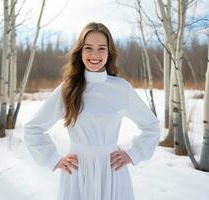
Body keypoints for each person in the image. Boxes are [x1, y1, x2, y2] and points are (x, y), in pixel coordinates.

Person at [24, 22, 160, 200]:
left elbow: (152, 126)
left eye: (101, 48)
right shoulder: (68, 89)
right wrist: (53, 159)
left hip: (112, 171)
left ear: (109, 52)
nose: (95, 54)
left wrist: (133, 153)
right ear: (80, 51)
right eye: (88, 48)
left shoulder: (121, 89)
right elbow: (33, 128)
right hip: (78, 171)